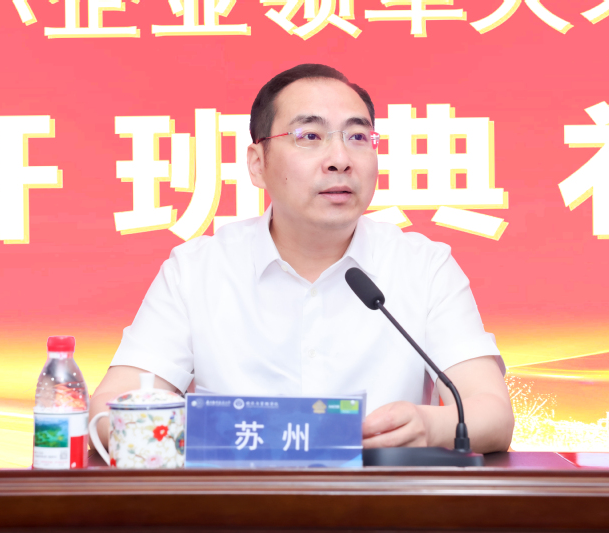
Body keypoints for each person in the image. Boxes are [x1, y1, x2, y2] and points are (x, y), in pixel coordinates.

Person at [91, 64, 514, 453]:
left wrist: (431, 426)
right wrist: (208, 432)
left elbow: (492, 412)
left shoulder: (424, 266)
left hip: (380, 501)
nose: (340, 160)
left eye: (358, 137)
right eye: (310, 136)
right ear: (257, 164)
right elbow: (109, 409)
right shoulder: (196, 270)